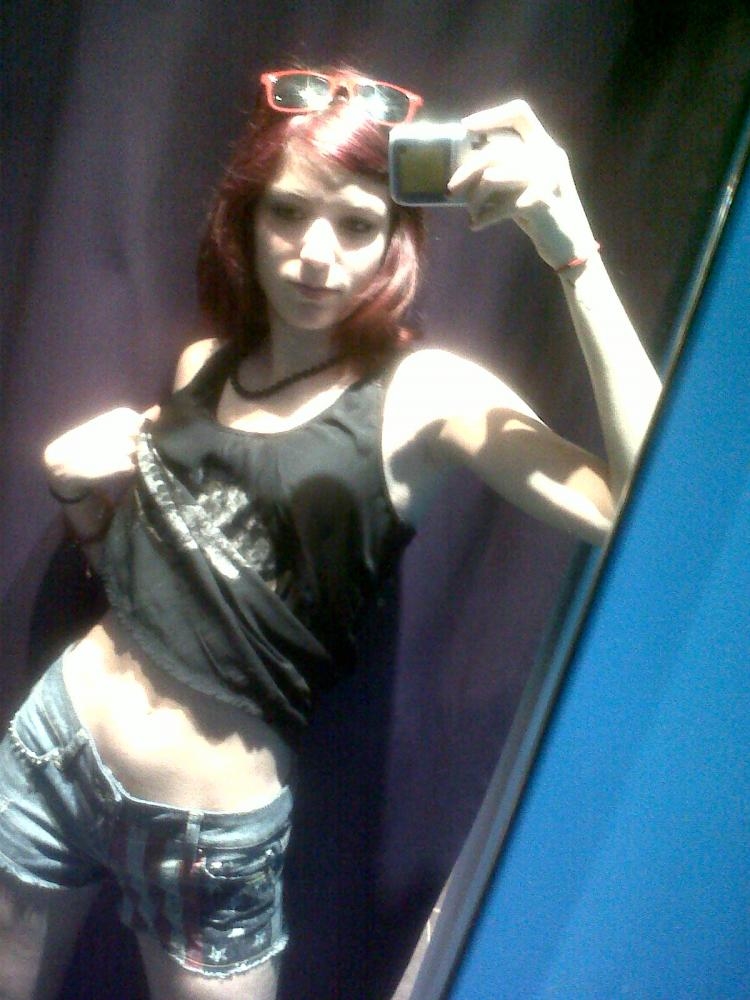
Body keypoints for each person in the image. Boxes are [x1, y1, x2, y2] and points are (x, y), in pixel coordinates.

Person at [0, 67, 660, 1000]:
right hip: (50, 751)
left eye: (356, 224)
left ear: (396, 239)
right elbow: (156, 588)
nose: (316, 255)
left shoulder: (426, 393)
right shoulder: (204, 364)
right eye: (288, 213)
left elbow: (641, 509)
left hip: (206, 842)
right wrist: (80, 500)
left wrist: (573, 253)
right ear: (247, 219)